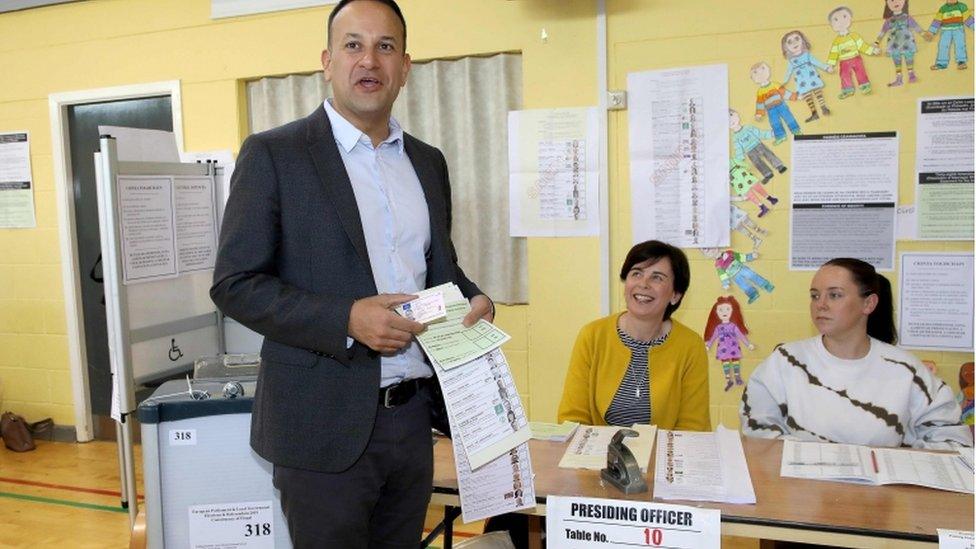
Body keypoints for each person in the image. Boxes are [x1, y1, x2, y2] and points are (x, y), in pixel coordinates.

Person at [209, 0, 493, 546]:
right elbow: (235, 282)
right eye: (354, 45)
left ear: (405, 67)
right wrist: (346, 318)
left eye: (385, 47)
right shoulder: (275, 154)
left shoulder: (427, 162)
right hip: (320, 425)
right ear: (328, 60)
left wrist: (474, 298)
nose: (370, 60)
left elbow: (440, 268)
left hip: (412, 420)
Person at [740, 258, 973, 449]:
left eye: (834, 295)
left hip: (881, 500)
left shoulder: (907, 370)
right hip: (802, 495)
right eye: (815, 295)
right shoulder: (785, 361)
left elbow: (953, 439)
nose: (820, 304)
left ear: (868, 304)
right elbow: (757, 433)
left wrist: (903, 466)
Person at [557, 240, 710, 430]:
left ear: (675, 295)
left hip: (661, 455)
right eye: (636, 273)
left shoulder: (690, 346)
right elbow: (572, 417)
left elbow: (693, 426)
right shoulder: (593, 336)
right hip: (598, 454)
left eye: (657, 278)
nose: (643, 284)